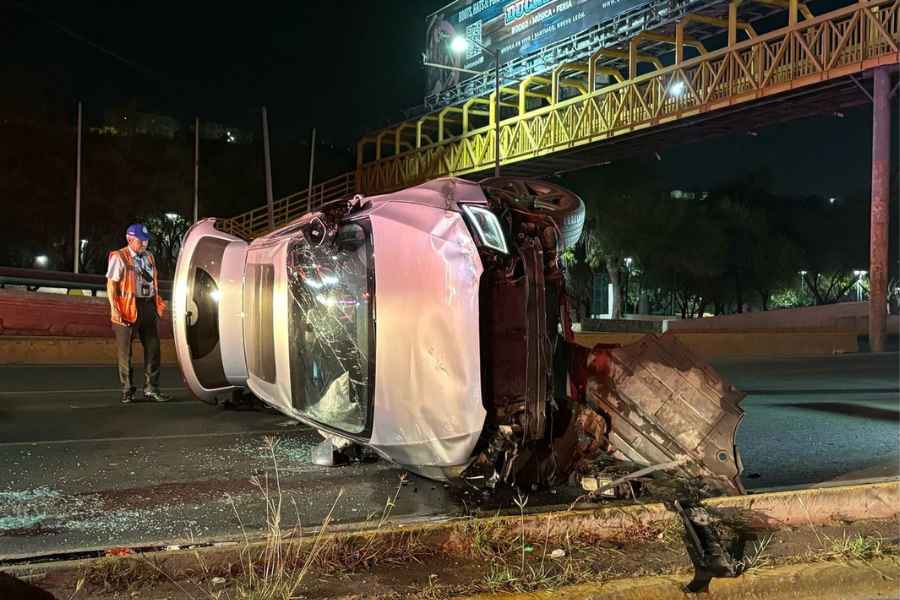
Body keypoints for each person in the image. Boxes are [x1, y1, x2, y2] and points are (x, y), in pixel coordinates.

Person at [106, 224, 170, 404]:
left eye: (146, 240)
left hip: (148, 307)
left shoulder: (149, 256)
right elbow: (111, 286)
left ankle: (151, 389)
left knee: (153, 349)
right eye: (141, 240)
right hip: (126, 310)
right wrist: (115, 310)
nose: (144, 243)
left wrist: (157, 305)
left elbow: (153, 283)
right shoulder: (119, 257)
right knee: (125, 353)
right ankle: (127, 390)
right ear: (129, 239)